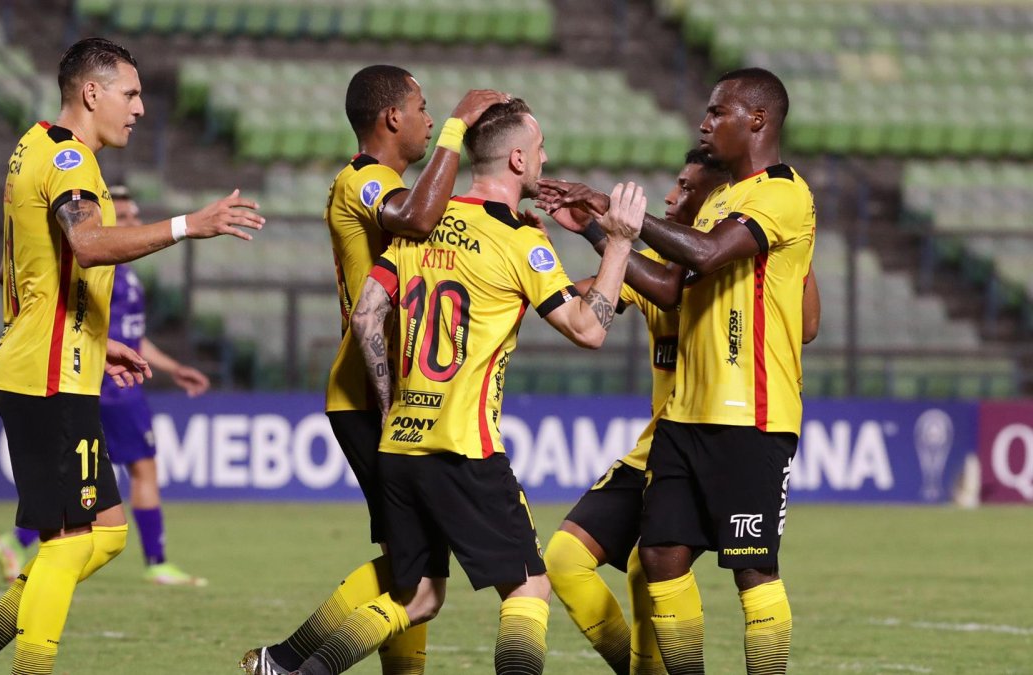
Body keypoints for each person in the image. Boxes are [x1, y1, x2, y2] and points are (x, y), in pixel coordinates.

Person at [0, 37, 264, 675]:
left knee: (105, 531)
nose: (139, 109)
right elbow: (88, 244)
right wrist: (190, 224)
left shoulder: (38, 144)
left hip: (57, 364)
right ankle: (23, 666)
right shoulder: (70, 160)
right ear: (91, 92)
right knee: (69, 540)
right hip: (46, 377)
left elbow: (38, 271)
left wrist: (95, 338)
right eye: (130, 94)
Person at [288, 98, 646, 675]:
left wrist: (390, 408)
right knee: (529, 589)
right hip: (465, 448)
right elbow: (588, 328)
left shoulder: (422, 222)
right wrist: (621, 241)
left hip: (401, 443)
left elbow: (365, 316)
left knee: (419, 595)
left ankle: (306, 670)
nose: (546, 158)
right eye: (541, 148)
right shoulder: (519, 241)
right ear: (518, 158)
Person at [540, 67, 815, 675]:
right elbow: (668, 285)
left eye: (717, 112)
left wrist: (619, 216)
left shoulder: (783, 192)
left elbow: (710, 253)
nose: (704, 121)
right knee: (661, 555)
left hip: (752, 413)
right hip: (683, 419)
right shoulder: (718, 199)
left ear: (758, 120)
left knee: (753, 569)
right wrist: (593, 225)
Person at [239, 67, 507, 675]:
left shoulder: (395, 185)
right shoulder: (362, 180)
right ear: (392, 118)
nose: (431, 117)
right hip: (368, 393)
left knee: (413, 563)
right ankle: (286, 665)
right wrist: (461, 129)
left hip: (403, 396)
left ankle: (280, 663)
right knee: (421, 572)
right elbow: (414, 219)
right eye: (422, 107)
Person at [0, 185, 211, 587]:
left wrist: (174, 368)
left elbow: (130, 338)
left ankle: (15, 541)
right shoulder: (100, 270)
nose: (133, 224)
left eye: (133, 216)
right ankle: (156, 562)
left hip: (93, 375)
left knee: (79, 480)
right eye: (122, 219)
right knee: (141, 470)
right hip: (106, 385)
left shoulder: (119, 276)